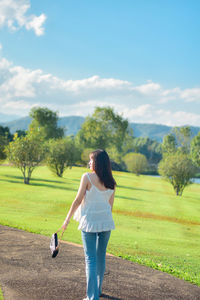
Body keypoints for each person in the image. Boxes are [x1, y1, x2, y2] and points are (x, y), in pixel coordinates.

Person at [61, 149, 116, 300]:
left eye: (91, 160)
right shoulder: (111, 182)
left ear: (97, 163)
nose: (89, 162)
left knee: (90, 259)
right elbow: (110, 207)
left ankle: (92, 297)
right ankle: (96, 291)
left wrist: (66, 220)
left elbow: (77, 200)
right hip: (106, 223)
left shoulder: (87, 177)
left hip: (89, 223)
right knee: (100, 257)